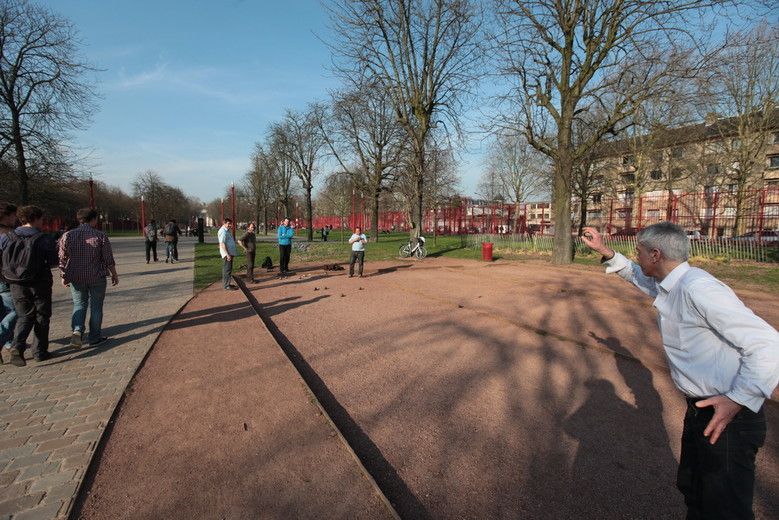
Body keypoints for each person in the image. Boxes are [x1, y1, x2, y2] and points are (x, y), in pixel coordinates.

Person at [581, 222, 779, 519]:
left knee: (725, 510)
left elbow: (768, 343)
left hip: (728, 418)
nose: (638, 257)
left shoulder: (698, 289)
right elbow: (640, 278)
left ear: (656, 255)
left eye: (640, 252)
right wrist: (605, 251)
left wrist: (739, 398)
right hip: (701, 410)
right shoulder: (672, 283)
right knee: (696, 494)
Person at [0, 206, 58, 366]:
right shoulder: (44, 238)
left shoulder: (7, 237)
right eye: (41, 219)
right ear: (36, 218)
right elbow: (53, 261)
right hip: (40, 282)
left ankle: (17, 347)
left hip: (16, 283)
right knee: (42, 315)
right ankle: (40, 351)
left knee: (24, 315)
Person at [59, 208, 119, 349]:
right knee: (96, 307)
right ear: (93, 219)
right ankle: (95, 337)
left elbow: (62, 258)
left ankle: (77, 331)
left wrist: (63, 275)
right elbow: (108, 258)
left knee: (79, 304)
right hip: (96, 276)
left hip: (76, 277)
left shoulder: (67, 235)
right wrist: (114, 273)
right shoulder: (100, 235)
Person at [0, 203, 18, 353]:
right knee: (15, 310)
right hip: (6, 278)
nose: (15, 218)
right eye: (13, 215)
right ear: (6, 216)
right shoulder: (8, 235)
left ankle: (9, 341)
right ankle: (3, 338)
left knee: (5, 310)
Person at [218, 218, 238, 290]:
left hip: (230, 253)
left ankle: (228, 283)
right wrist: (227, 254)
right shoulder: (223, 231)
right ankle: (226, 285)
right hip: (227, 254)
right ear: (224, 223)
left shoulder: (226, 231)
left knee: (228, 269)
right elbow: (222, 243)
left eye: (230, 223)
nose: (230, 225)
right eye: (229, 223)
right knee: (227, 269)